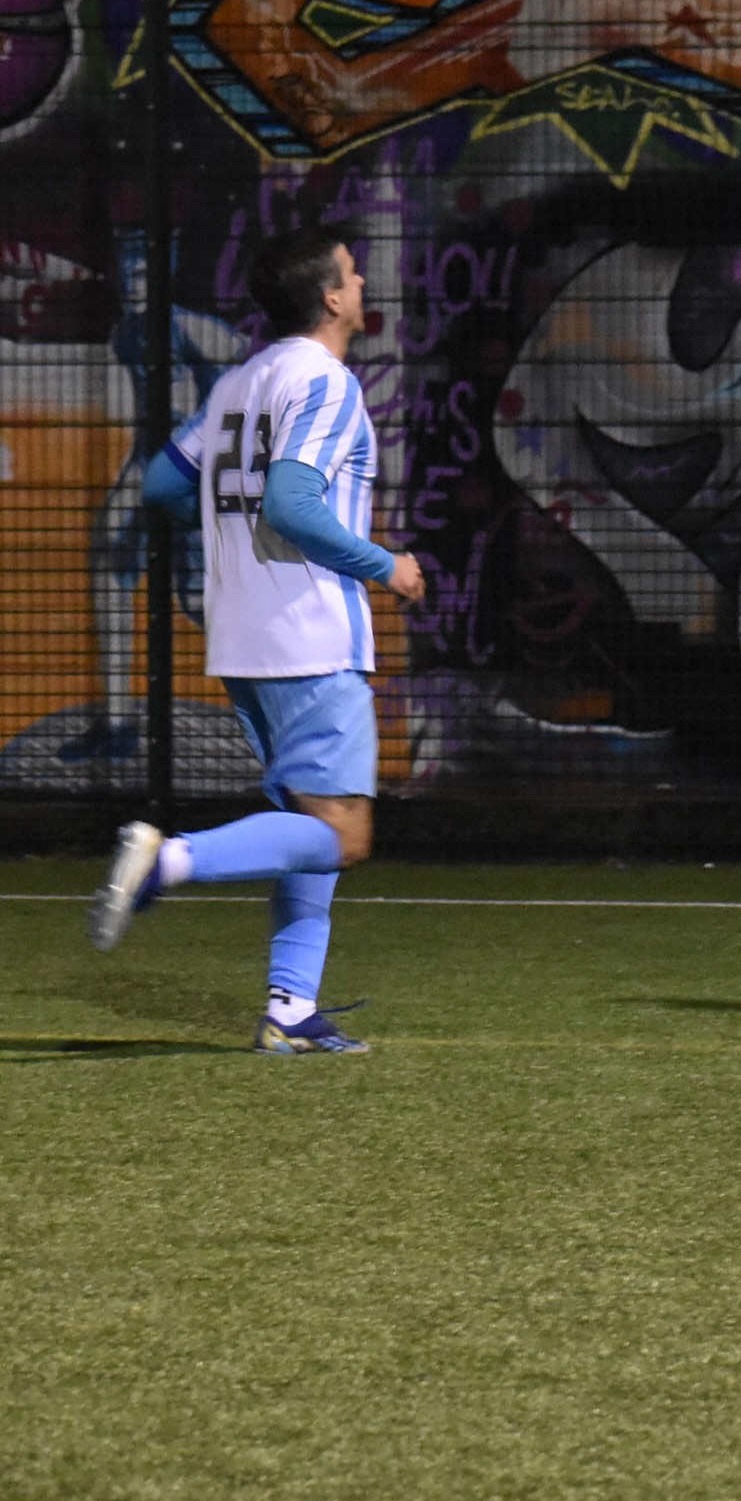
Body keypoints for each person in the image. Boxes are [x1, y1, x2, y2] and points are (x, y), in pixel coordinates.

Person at [89, 225, 426, 1053]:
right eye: (351, 271)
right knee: (344, 833)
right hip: (311, 638)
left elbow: (168, 481)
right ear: (332, 298)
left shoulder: (241, 382)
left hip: (242, 638)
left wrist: (227, 534)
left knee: (305, 826)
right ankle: (170, 861)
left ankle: (289, 1011)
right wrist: (388, 567)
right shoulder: (327, 382)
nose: (360, 280)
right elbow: (293, 505)